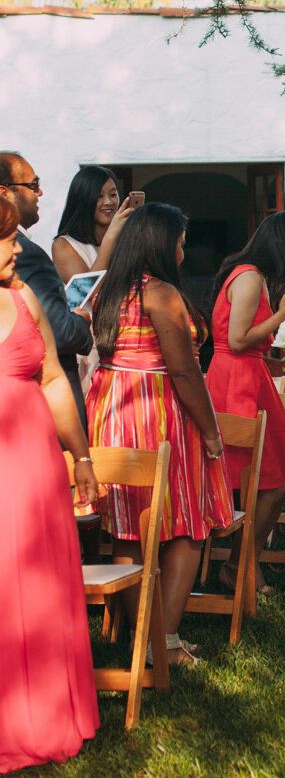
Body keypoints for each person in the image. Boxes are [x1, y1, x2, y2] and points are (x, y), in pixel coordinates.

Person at [87, 202, 234, 665]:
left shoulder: (107, 289)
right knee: (188, 525)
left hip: (112, 411)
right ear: (161, 243)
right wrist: (211, 433)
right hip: (157, 414)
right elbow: (185, 372)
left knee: (129, 530)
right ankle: (163, 643)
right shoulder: (161, 292)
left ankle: (141, 639)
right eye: (181, 242)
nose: (184, 253)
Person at [0, 194, 99, 772]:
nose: (17, 247)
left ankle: (47, 714)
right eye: (7, 237)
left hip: (36, 468)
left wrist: (80, 456)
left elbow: (55, 379)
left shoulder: (25, 296)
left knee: (36, 583)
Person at [207, 211, 285, 595]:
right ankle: (239, 565)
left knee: (280, 479)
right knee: (271, 481)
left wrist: (271, 359)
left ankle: (242, 562)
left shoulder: (249, 274)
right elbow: (236, 340)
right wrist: (284, 313)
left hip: (250, 375)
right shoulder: (250, 277)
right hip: (237, 384)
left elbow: (241, 342)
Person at [0, 152, 93, 425]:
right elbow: (60, 334)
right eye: (33, 184)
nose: (40, 192)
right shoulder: (25, 253)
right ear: (4, 193)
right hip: (39, 410)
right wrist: (80, 321)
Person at [52, 164, 134, 390]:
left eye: (113, 194)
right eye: (99, 196)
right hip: (87, 347)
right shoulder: (64, 244)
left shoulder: (123, 242)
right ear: (84, 200)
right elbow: (86, 292)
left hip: (122, 341)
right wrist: (111, 240)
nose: (108, 202)